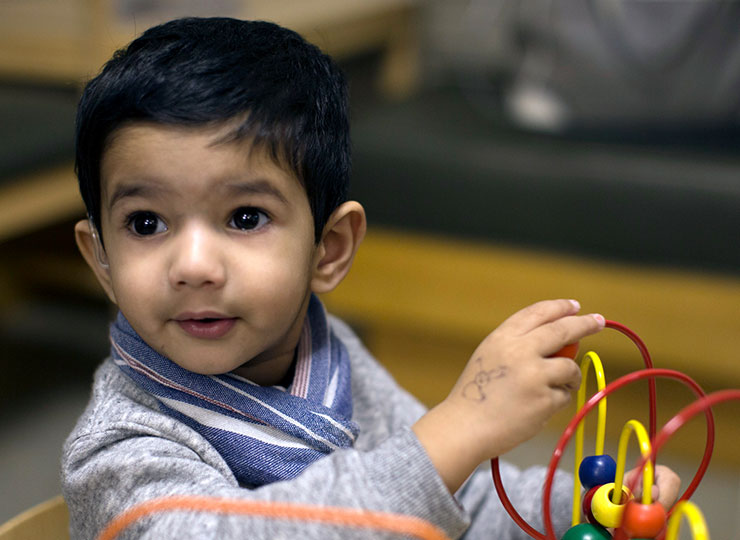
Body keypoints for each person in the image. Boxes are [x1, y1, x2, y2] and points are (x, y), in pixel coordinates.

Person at [62, 17, 679, 539]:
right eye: (145, 223)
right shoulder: (119, 449)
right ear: (103, 262)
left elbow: (457, 503)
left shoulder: (330, 359)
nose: (192, 266)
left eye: (244, 217)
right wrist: (459, 425)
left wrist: (586, 510)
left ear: (328, 250)